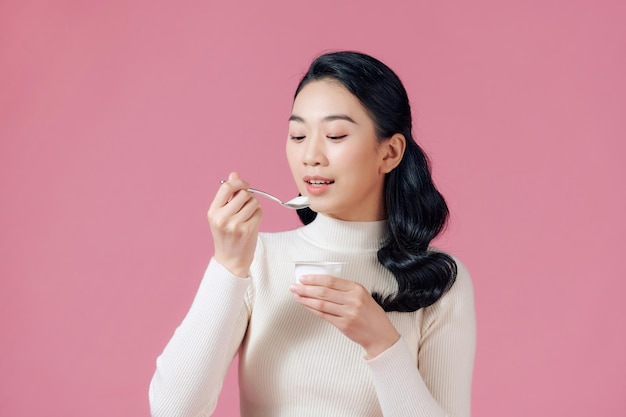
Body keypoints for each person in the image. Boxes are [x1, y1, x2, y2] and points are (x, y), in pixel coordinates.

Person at [149, 51, 476, 417]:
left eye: (335, 135)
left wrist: (382, 342)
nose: (310, 155)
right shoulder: (258, 260)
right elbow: (172, 410)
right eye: (298, 135)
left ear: (390, 152)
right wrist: (227, 266)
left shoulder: (441, 280)